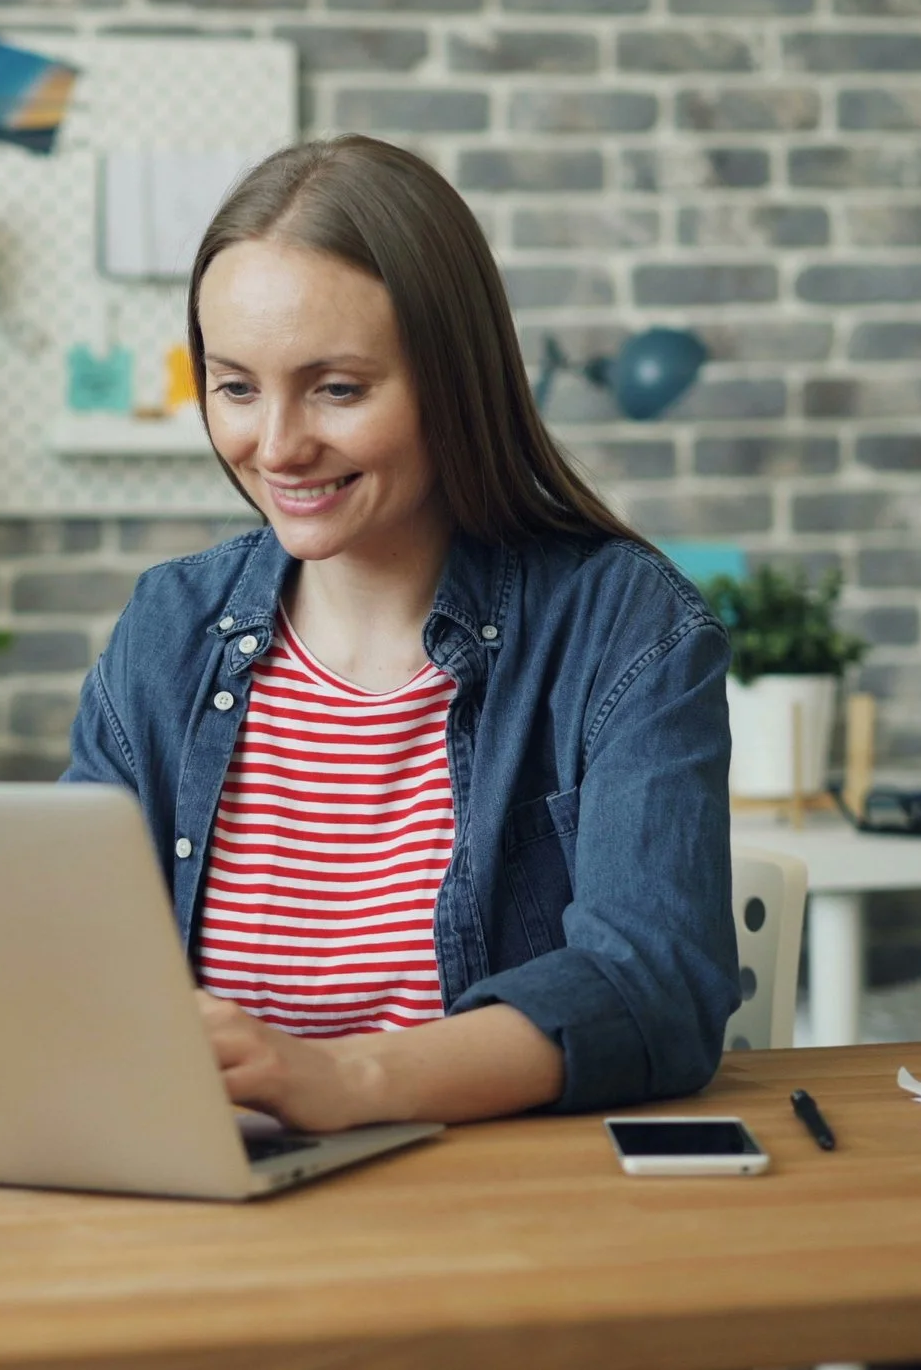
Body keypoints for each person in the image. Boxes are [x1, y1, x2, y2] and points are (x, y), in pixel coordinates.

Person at [61, 135, 737, 1132]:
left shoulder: (623, 626)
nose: (277, 445)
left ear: (450, 381)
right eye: (236, 386)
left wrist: (346, 1082)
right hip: (216, 1207)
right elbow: (67, 954)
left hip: (496, 1213)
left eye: (336, 388)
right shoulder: (167, 630)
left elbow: (654, 984)